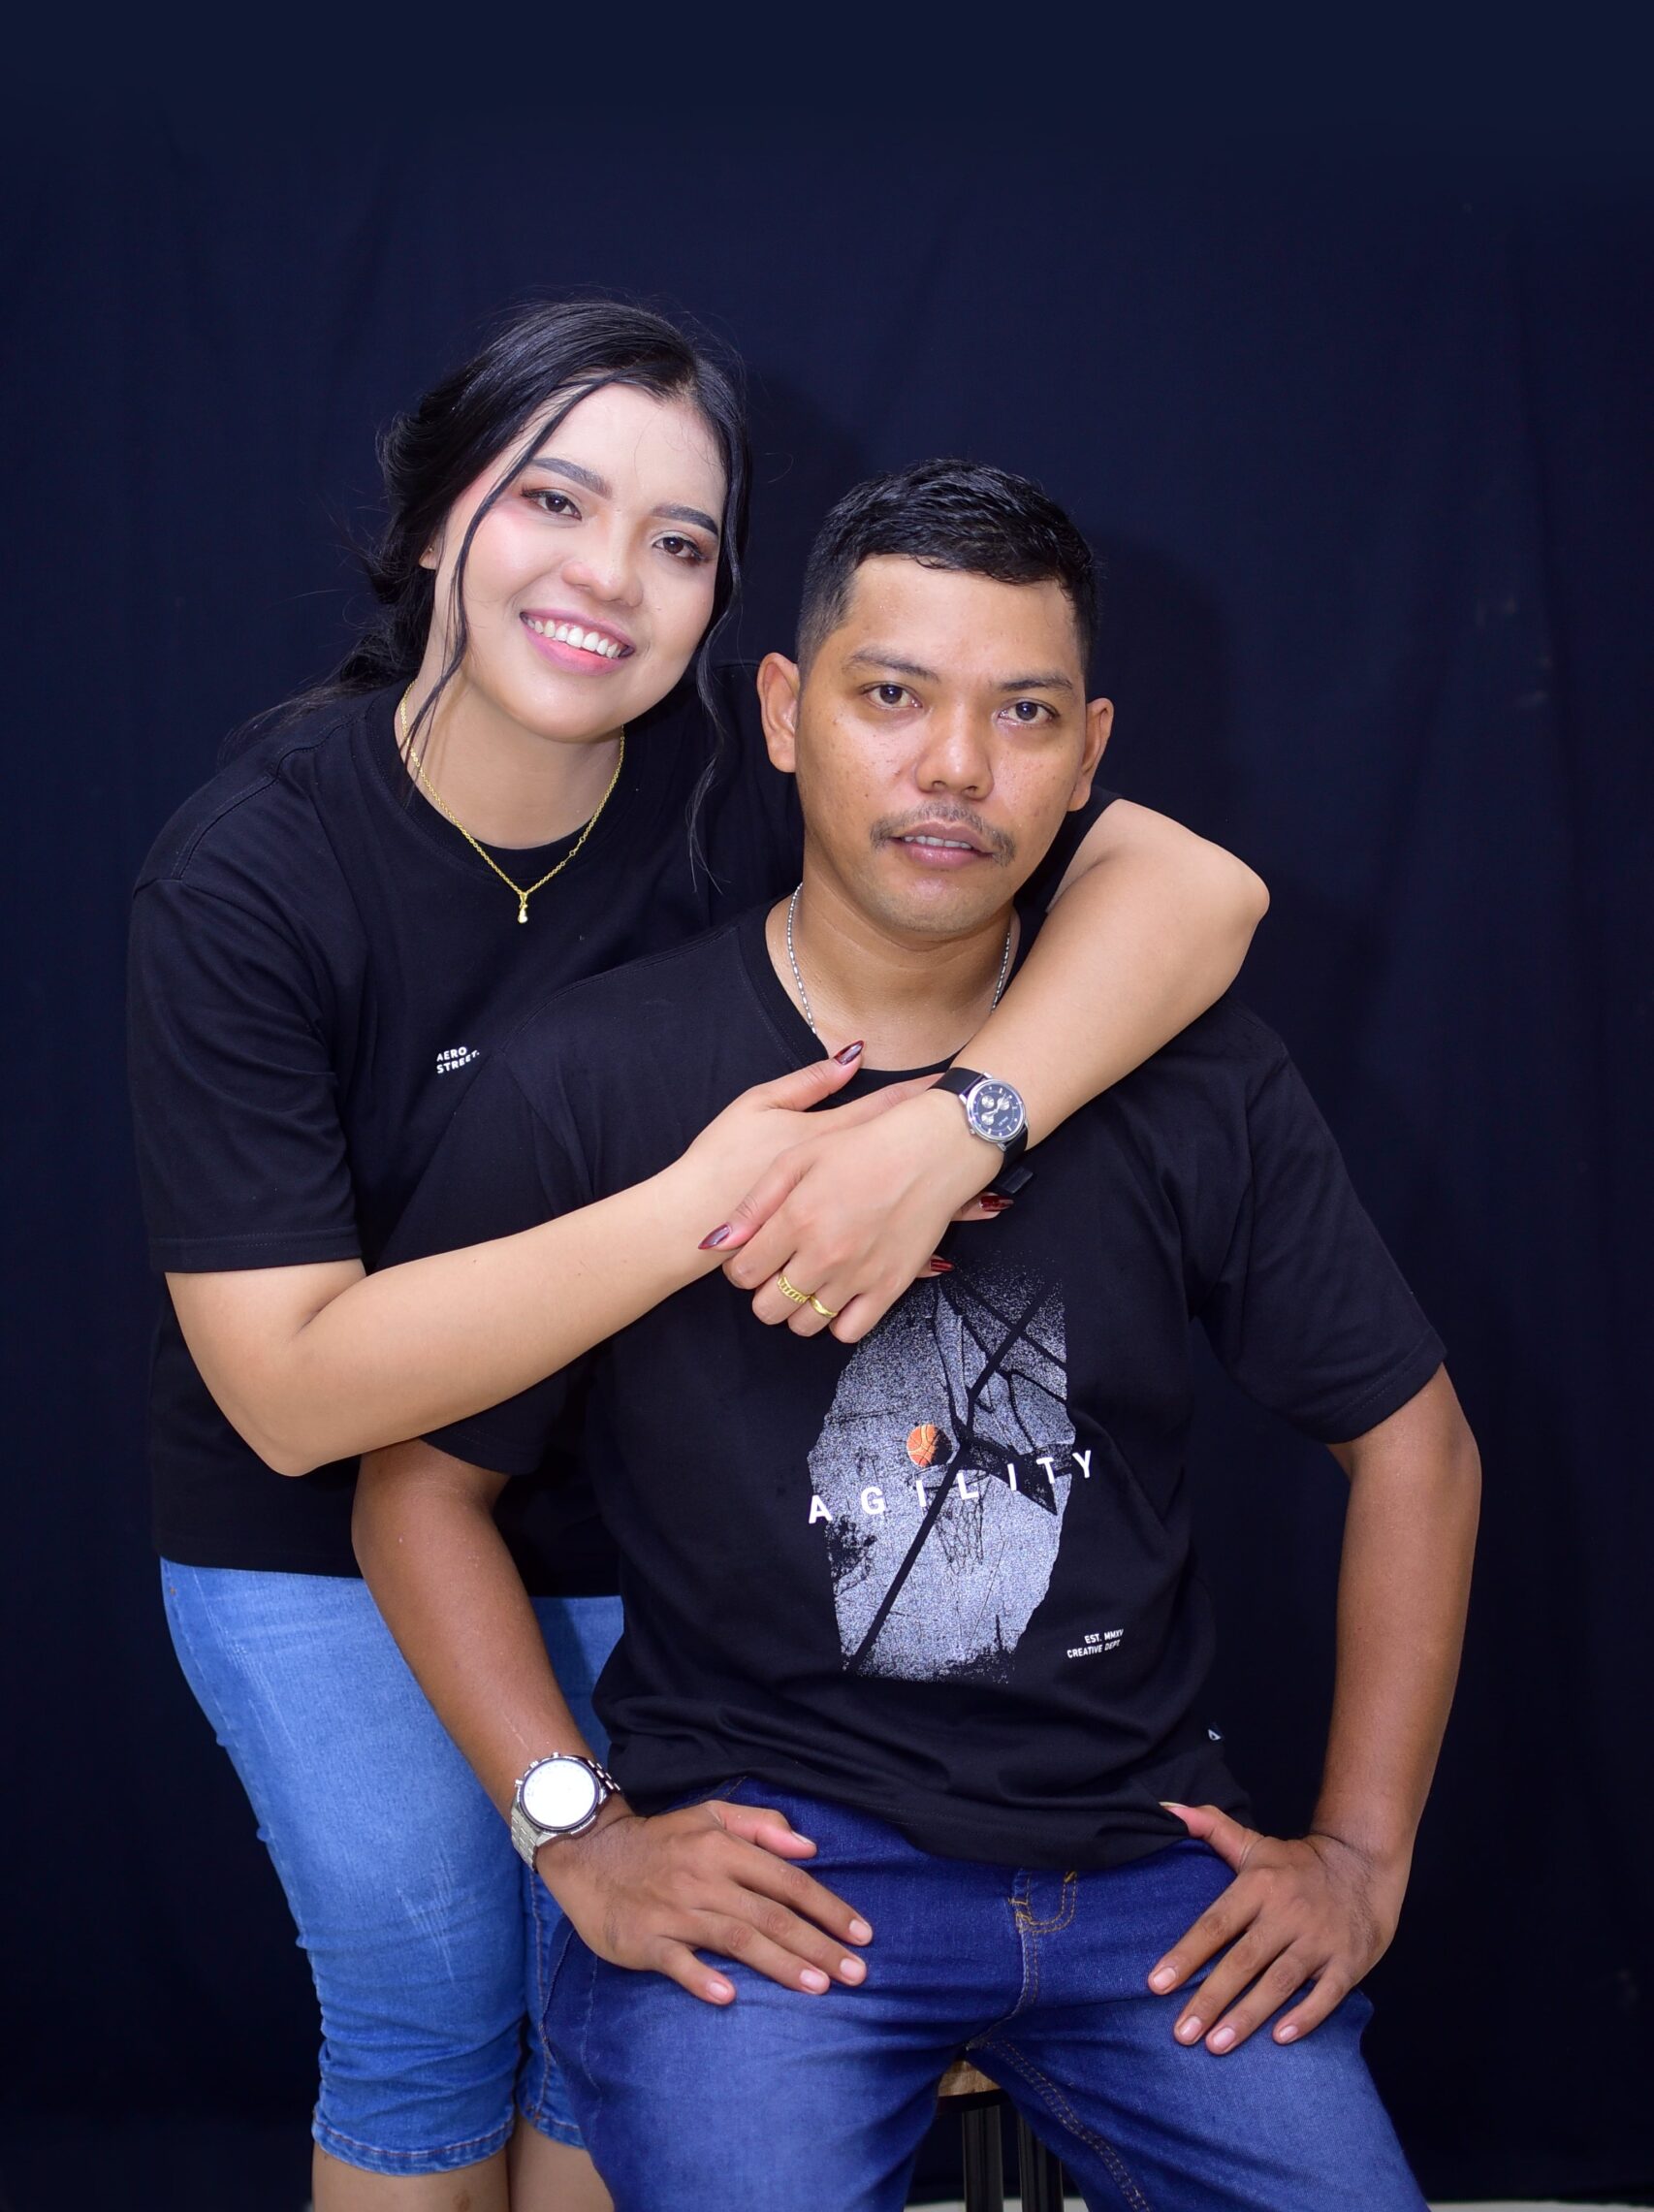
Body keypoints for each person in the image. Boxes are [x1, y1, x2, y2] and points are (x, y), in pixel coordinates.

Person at [127, 309, 1270, 2212]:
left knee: (650, 2010)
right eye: (552, 501)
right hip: (321, 1529)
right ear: (437, 520)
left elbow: (1194, 889)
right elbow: (292, 1391)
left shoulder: (734, 777)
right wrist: (697, 1203)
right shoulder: (250, 873)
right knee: (429, 2026)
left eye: (676, 540)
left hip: (662, 1520)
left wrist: (962, 1119)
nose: (607, 575)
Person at [354, 459, 1481, 2212]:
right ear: (784, 712)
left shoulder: (1193, 1075)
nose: (955, 767)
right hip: (780, 1872)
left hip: (1148, 1873)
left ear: (1089, 755)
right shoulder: (599, 1077)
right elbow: (418, 1491)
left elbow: (1415, 1442)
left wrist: (1357, 1852)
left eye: (1021, 714)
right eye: (891, 697)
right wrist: (580, 1835)